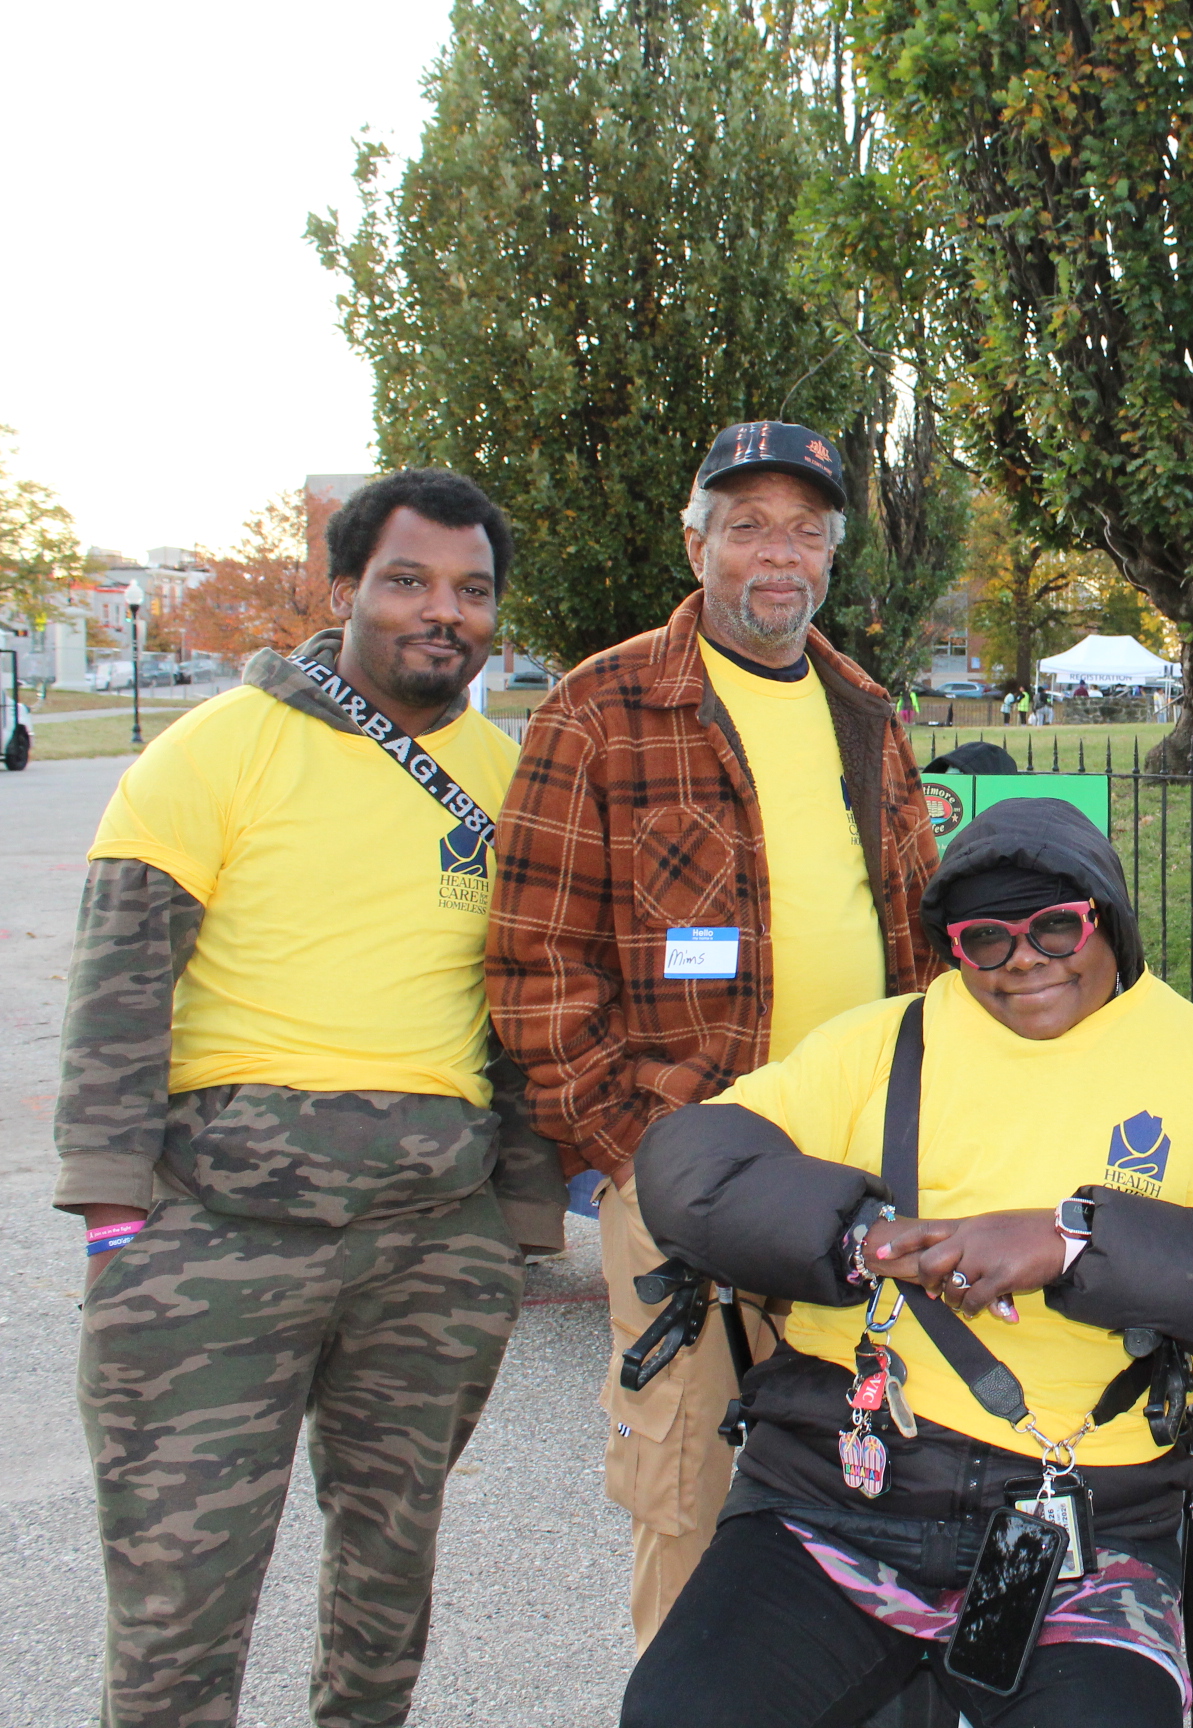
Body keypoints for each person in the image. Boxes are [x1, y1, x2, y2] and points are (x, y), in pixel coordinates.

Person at [618, 796, 1193, 1728]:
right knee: (683, 1713)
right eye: (986, 940)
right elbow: (687, 1166)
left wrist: (1074, 1239)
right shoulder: (880, 1041)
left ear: (1108, 922)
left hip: (1089, 1520)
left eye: (1055, 927)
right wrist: (861, 1237)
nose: (1026, 959)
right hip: (839, 1496)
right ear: (955, 949)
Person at [56, 468, 564, 1728]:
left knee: (391, 1571)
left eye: (471, 590)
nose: (440, 612)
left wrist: (520, 1221)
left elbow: (521, 1007)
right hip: (214, 1245)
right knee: (182, 1593)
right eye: (406, 581)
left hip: (432, 1247)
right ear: (342, 590)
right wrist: (116, 1221)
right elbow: (121, 983)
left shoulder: (510, 779)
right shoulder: (214, 753)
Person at [487, 419, 944, 1646]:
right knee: (686, 1493)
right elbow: (533, 961)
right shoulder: (602, 706)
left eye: (805, 530)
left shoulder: (866, 713)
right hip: (688, 1159)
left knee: (863, 1482)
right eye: (748, 526)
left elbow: (920, 933)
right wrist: (638, 1150)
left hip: (861, 1168)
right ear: (696, 544)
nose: (777, 555)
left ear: (833, 557)